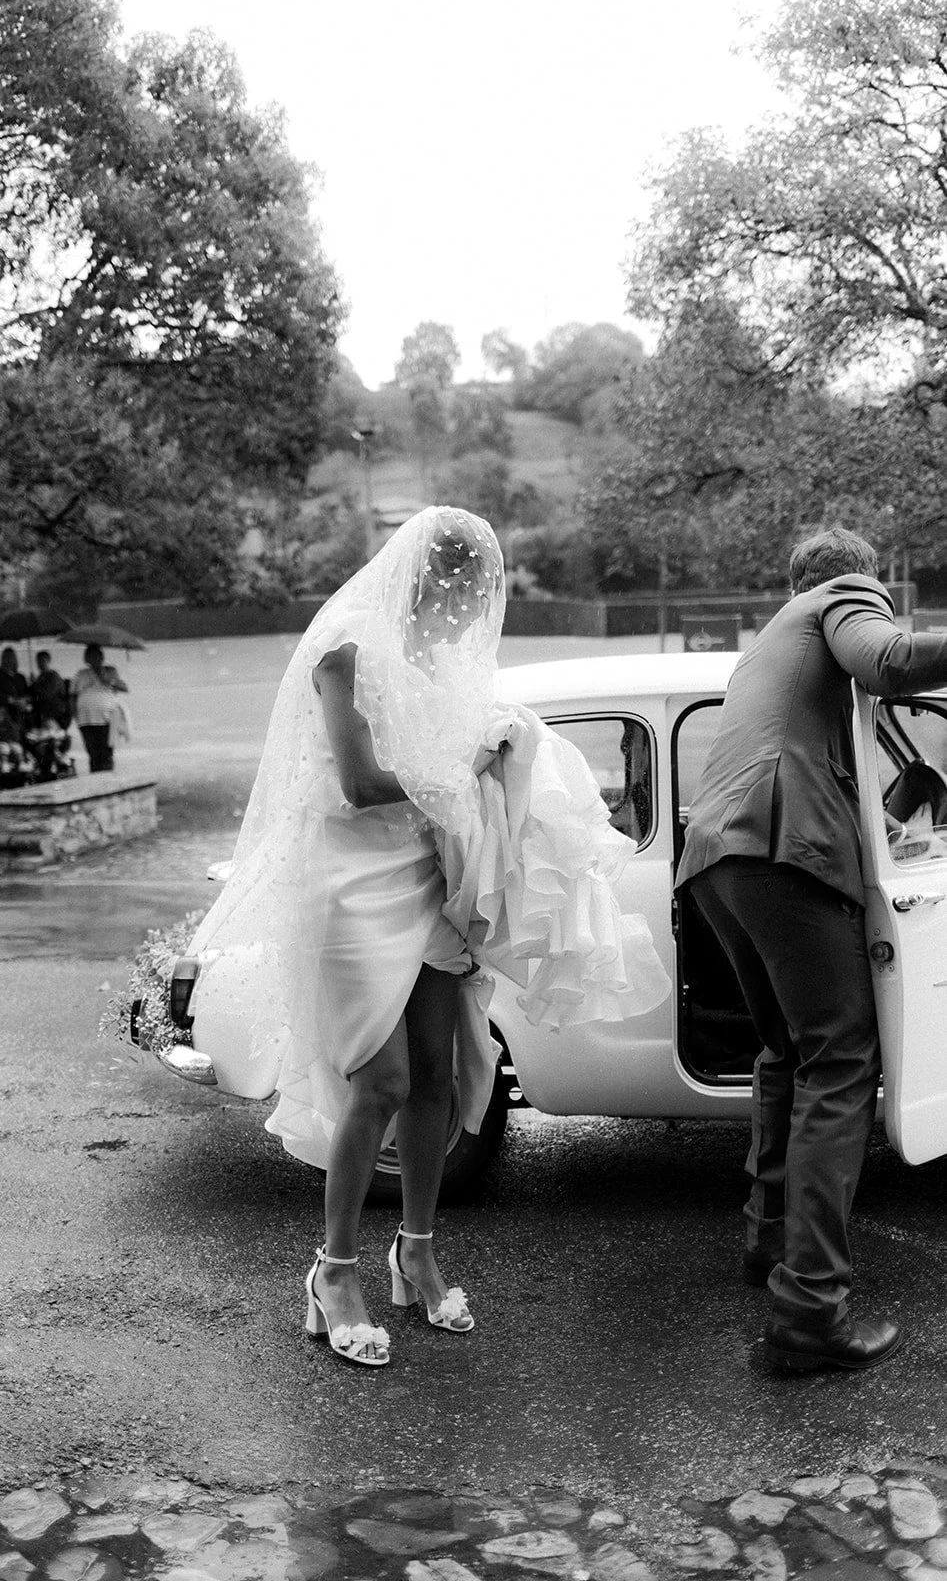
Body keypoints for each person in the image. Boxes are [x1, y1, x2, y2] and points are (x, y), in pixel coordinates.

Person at [184, 506, 669, 1369]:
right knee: (382, 1080)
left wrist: (507, 748)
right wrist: (467, 767)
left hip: (426, 873)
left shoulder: (430, 660)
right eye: (461, 592)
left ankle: (416, 1249)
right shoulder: (342, 648)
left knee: (439, 1079)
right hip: (351, 883)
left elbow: (458, 751)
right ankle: (332, 1272)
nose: (463, 613)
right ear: (426, 574)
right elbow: (365, 782)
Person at [676, 526, 947, 1375]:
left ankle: (767, 1242)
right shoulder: (840, 598)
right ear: (861, 581)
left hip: (716, 860)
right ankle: (810, 1311)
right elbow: (892, 663)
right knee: (840, 1063)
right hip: (783, 848)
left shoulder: (763, 645)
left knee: (788, 1051)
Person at [71, 644, 128, 773]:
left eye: (97, 656)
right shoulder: (80, 674)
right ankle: (96, 778)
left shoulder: (110, 671)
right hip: (86, 720)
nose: (94, 659)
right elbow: (72, 697)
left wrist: (110, 680)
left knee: (108, 752)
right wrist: (75, 717)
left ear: (102, 657)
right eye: (91, 656)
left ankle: (108, 778)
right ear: (87, 659)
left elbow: (124, 688)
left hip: (109, 718)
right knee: (93, 753)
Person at [0, 646, 31, 734]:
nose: (9, 661)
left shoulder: (20, 677)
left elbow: (27, 693)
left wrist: (24, 699)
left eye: (11, 658)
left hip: (21, 708)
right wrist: (11, 700)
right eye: (6, 658)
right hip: (4, 708)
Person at [29, 650, 71, 729]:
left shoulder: (53, 676)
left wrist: (35, 684)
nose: (40, 664)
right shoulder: (40, 677)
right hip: (44, 714)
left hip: (56, 714)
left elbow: (47, 695)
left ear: (48, 661)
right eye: (38, 661)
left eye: (42, 661)